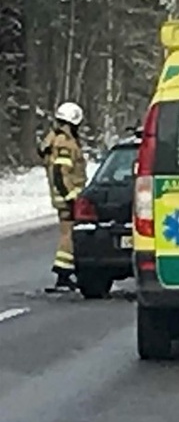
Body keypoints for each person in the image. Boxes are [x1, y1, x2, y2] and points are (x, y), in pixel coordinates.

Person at [40, 102, 87, 292]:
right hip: (67, 196)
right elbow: (61, 172)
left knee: (68, 232)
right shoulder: (65, 143)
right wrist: (71, 196)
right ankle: (63, 273)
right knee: (69, 234)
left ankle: (67, 271)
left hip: (62, 195)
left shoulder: (54, 140)